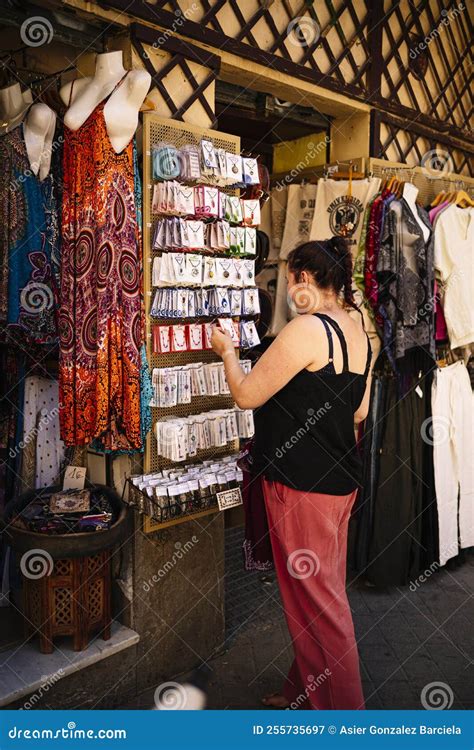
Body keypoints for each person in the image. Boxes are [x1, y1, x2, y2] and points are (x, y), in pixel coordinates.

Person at [211, 237, 372, 710]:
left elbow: (246, 395)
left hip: (303, 486)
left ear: (303, 279)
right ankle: (305, 690)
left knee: (322, 605)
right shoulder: (357, 328)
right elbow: (358, 411)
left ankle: (348, 717)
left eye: (289, 278)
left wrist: (225, 351)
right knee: (313, 596)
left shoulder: (305, 331)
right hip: (340, 480)